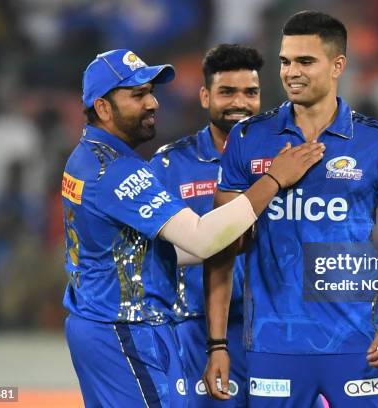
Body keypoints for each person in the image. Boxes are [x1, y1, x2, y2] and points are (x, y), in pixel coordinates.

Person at [61, 48, 325, 408]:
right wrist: (274, 179)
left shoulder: (90, 158)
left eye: (151, 92)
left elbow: (134, 250)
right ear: (103, 108)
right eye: (138, 95)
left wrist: (233, 244)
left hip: (108, 321)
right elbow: (201, 240)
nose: (153, 103)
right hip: (126, 328)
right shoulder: (119, 172)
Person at [203, 11, 378, 408]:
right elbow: (220, 246)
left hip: (360, 346)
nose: (291, 72)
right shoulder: (249, 138)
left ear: (338, 65)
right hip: (274, 344)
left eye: (305, 61)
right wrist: (217, 344)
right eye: (286, 61)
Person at [149, 44, 263, 407]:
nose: (239, 102)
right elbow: (155, 249)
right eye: (227, 92)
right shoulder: (170, 165)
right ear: (204, 96)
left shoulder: (281, 159)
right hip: (195, 330)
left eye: (250, 92)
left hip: (269, 328)